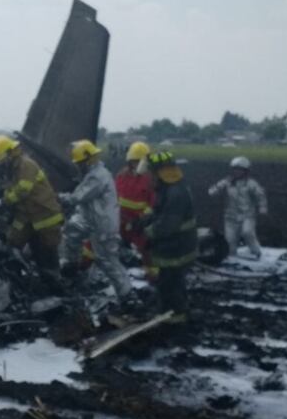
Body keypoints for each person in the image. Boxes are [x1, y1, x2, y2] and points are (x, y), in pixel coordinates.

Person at [60, 139, 133, 301]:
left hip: (103, 225)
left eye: (80, 163)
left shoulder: (98, 177)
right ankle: (71, 268)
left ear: (88, 160)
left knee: (107, 261)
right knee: (71, 229)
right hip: (91, 219)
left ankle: (127, 295)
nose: (78, 166)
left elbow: (79, 196)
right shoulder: (92, 174)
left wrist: (63, 198)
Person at [0, 134, 64, 276]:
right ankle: (14, 277)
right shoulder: (12, 168)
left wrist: (2, 202)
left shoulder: (26, 165)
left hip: (43, 214)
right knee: (12, 244)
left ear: (9, 154)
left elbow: (23, 190)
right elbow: (10, 189)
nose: (0, 163)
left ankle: (54, 284)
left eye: (1, 159)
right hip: (26, 215)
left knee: (47, 252)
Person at [136, 151, 197, 324]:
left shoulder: (175, 192)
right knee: (170, 283)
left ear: (160, 172)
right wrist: (144, 220)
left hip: (177, 249)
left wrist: (148, 233)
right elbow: (159, 212)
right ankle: (169, 313)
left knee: (171, 286)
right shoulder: (168, 187)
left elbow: (168, 224)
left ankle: (175, 321)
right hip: (175, 246)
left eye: (151, 173)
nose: (149, 177)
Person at [208, 156, 268, 260]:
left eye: (240, 170)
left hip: (247, 216)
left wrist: (262, 208)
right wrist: (218, 187)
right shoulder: (227, 182)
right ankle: (232, 258)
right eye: (235, 169)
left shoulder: (251, 184)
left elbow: (260, 196)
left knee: (247, 233)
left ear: (245, 171)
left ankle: (256, 252)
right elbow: (212, 192)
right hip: (230, 217)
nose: (237, 172)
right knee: (230, 243)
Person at [116, 141, 155, 277]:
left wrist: (143, 219)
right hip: (122, 220)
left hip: (140, 222)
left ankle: (152, 277)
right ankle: (125, 277)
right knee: (119, 249)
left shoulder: (150, 179)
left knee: (146, 250)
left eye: (140, 161)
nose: (137, 164)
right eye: (135, 161)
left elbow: (153, 203)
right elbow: (115, 197)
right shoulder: (121, 176)